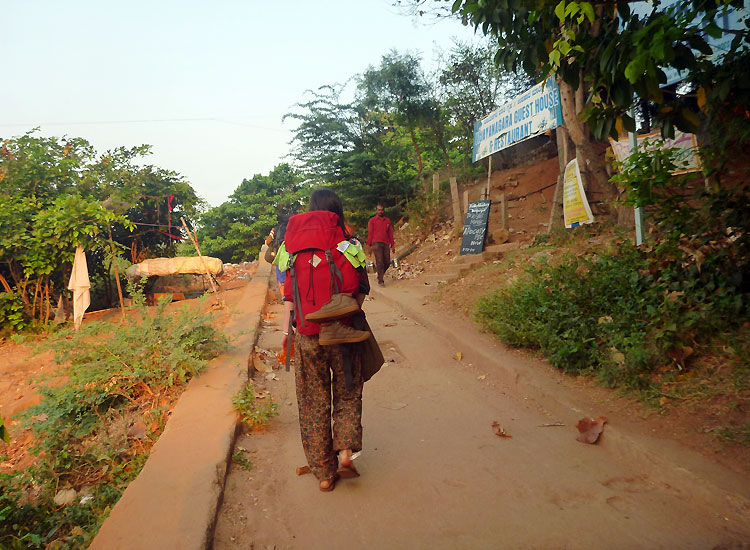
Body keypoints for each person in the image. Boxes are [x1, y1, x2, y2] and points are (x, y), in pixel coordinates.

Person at [279, 189, 370, 492]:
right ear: (337, 212)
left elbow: (288, 299)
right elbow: (362, 288)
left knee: (312, 403)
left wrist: (286, 335)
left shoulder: (290, 248)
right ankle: (345, 452)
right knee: (347, 392)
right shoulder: (349, 244)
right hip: (342, 333)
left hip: (306, 337)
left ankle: (324, 474)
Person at [366, 204, 395, 287]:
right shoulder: (372, 221)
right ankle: (380, 281)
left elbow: (390, 233)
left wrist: (392, 245)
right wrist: (369, 246)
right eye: (379, 210)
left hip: (386, 243)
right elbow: (370, 233)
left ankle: (380, 274)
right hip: (376, 243)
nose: (380, 211)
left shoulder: (387, 221)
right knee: (379, 261)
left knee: (387, 262)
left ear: (383, 211)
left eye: (382, 210)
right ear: (376, 211)